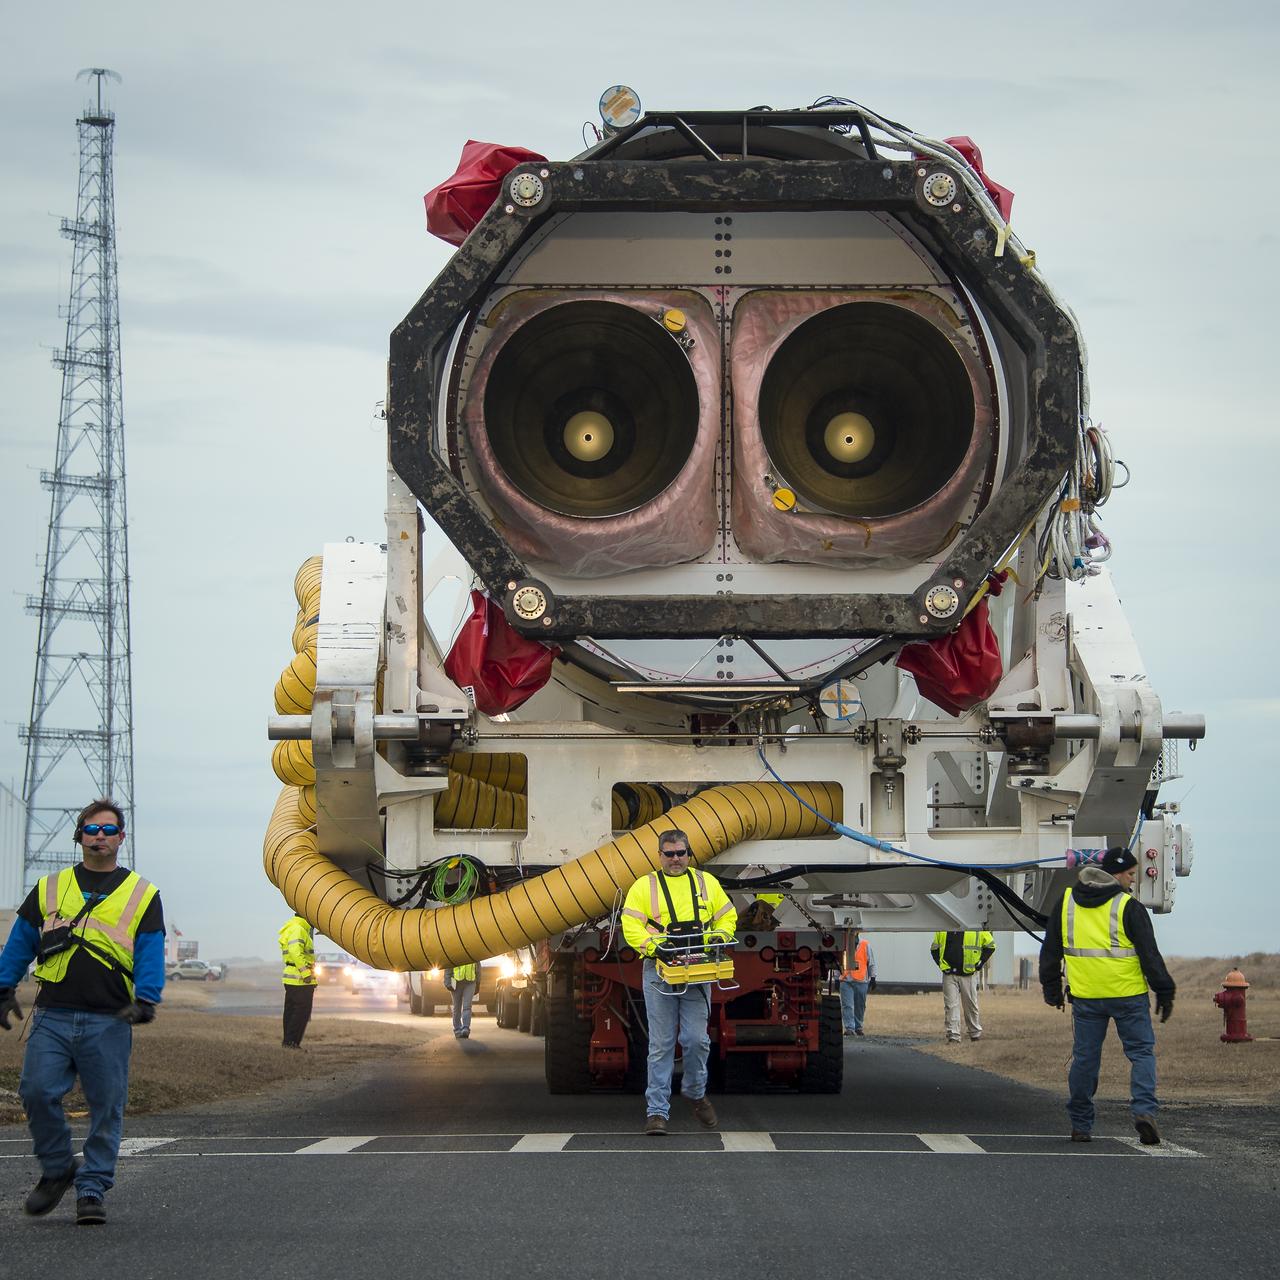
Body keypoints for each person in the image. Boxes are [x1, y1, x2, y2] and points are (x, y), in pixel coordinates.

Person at [0, 797, 164, 1226]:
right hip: (52, 1014)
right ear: (81, 836)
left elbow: (149, 951)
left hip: (110, 1019)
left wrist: (146, 998)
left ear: (121, 838)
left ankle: (91, 1189)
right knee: (36, 1092)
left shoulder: (142, 894)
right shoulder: (49, 888)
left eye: (109, 830)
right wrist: (3, 987)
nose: (100, 837)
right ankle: (57, 1169)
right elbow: (20, 941)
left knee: (106, 1105)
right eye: (92, 829)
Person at [1039, 846, 1175, 1145]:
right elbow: (1150, 955)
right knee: (1141, 1054)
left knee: (1085, 1059)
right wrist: (1164, 990)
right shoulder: (1128, 906)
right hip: (1128, 996)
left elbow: (1050, 951)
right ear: (1114, 874)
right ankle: (1144, 1113)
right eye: (1129, 874)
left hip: (1087, 997)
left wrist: (1051, 990)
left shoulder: (1066, 903)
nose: (1132, 880)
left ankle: (1080, 1125)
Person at [620, 828, 737, 1136]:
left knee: (697, 1039)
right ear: (660, 855)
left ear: (689, 854)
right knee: (661, 1045)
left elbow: (727, 917)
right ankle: (657, 1112)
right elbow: (631, 924)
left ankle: (696, 1092)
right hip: (659, 970)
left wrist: (717, 939)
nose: (675, 859)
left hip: (697, 969)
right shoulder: (644, 886)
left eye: (680, 853)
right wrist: (652, 946)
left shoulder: (706, 883)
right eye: (669, 854)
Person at [930, 928, 995, 1042]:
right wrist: (941, 965)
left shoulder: (975, 927)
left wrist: (979, 964)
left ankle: (974, 1034)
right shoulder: (944, 928)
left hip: (968, 974)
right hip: (949, 974)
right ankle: (953, 1036)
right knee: (950, 1006)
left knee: (970, 1004)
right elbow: (934, 948)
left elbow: (990, 946)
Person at [279, 913, 317, 1047]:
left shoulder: (293, 927)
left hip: (293, 978)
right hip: (300, 980)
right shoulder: (299, 929)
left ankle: (288, 1042)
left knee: (291, 1011)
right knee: (301, 1012)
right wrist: (305, 973)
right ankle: (292, 1042)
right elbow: (295, 951)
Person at [839, 929, 876, 1037]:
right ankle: (849, 1028)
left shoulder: (865, 944)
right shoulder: (842, 945)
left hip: (861, 981)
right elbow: (838, 962)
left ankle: (858, 1027)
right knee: (847, 1005)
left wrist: (873, 977)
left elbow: (871, 963)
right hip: (846, 980)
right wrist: (837, 978)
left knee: (860, 1006)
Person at [446, 963, 478, 1038]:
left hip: (470, 981)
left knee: (467, 1006)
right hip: (456, 981)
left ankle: (466, 1028)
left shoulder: (474, 952)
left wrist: (478, 982)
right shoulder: (454, 951)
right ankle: (457, 1029)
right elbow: (448, 966)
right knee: (457, 1007)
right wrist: (448, 981)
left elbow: (478, 967)